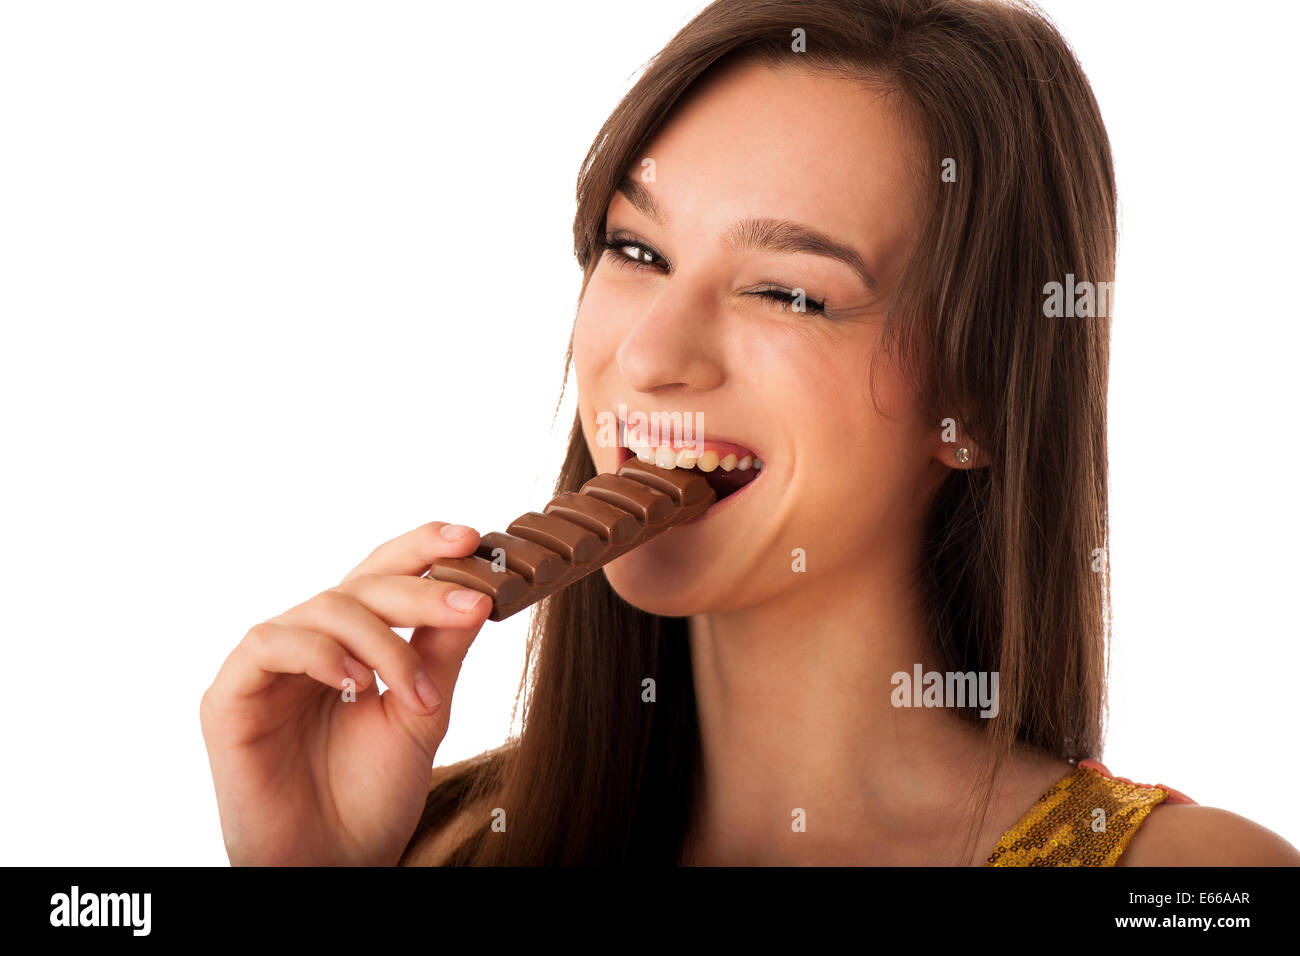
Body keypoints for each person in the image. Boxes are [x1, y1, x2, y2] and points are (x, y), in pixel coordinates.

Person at [200, 0, 1300, 866]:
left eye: (790, 292)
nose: (650, 354)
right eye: (634, 251)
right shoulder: (433, 839)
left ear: (978, 401)